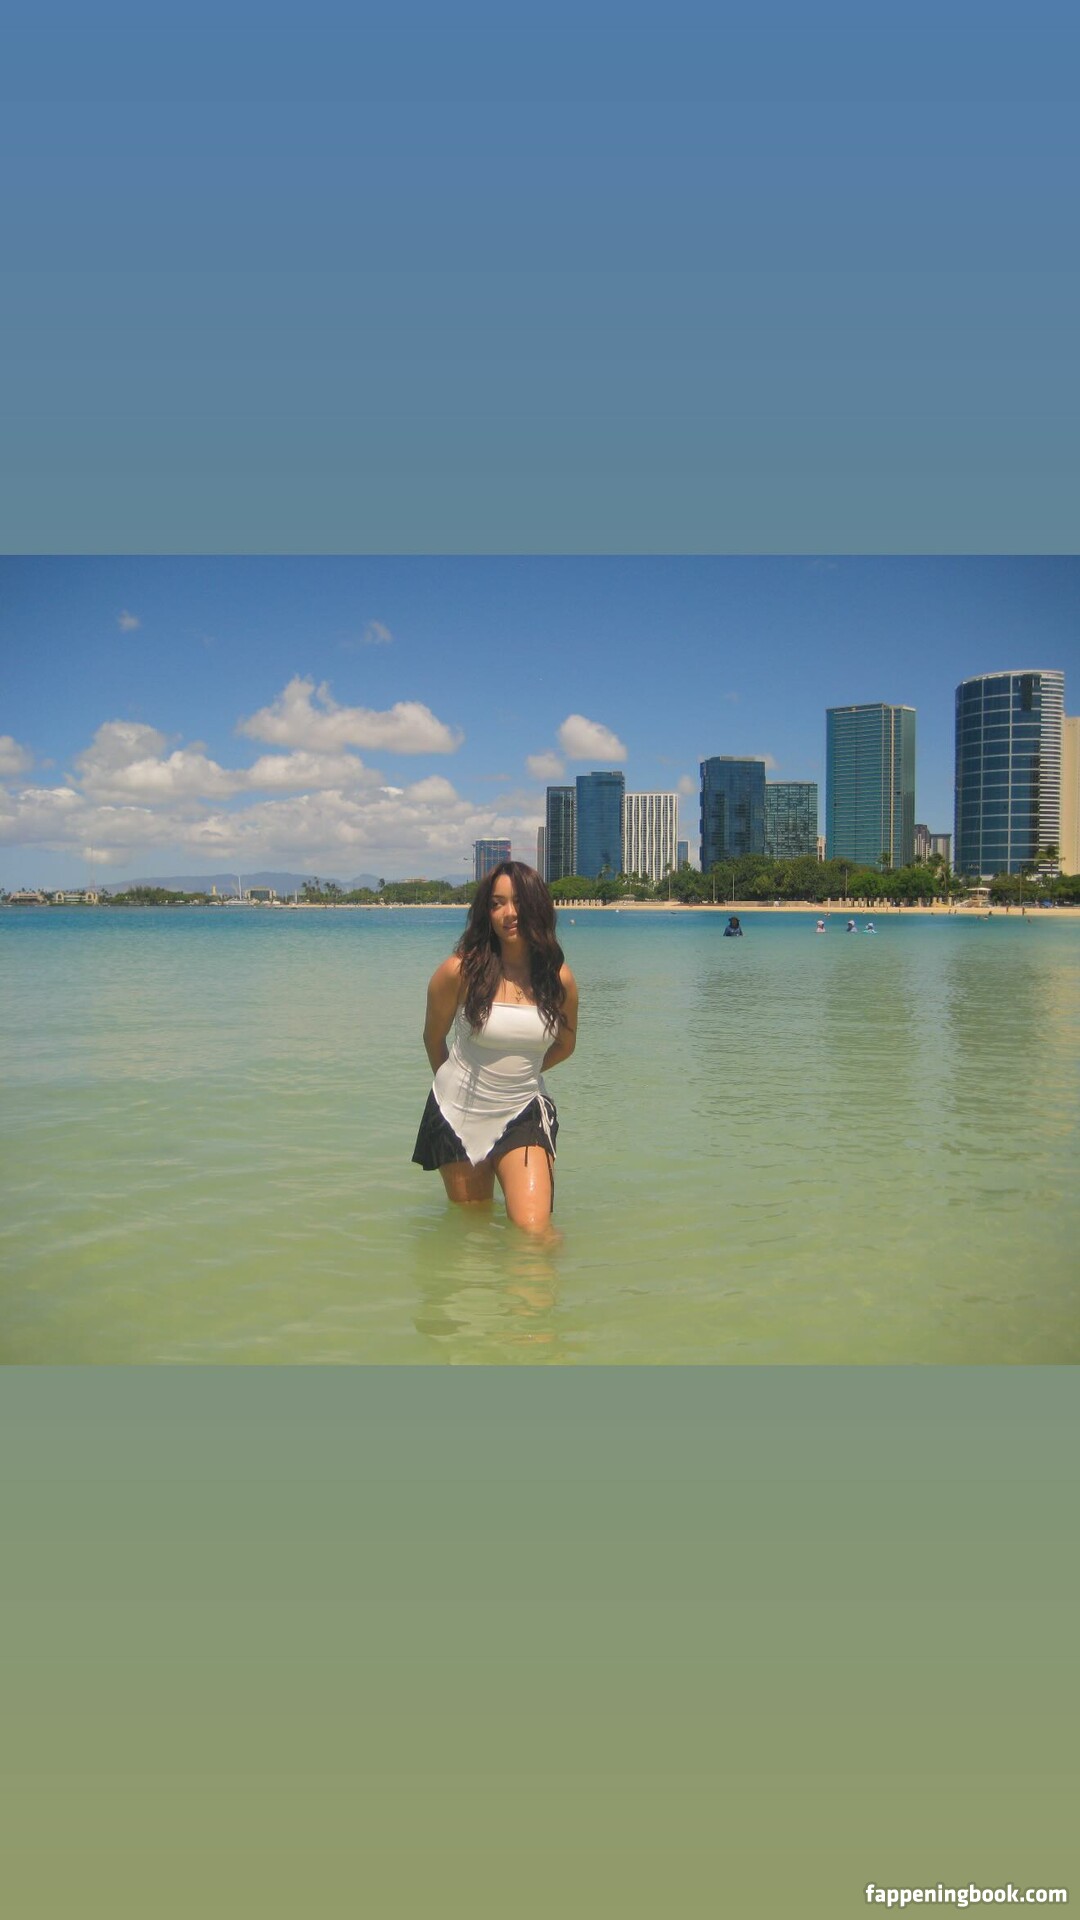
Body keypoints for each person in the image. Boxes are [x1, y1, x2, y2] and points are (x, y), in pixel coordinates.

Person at [412, 862, 578, 1236]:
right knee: (474, 1232)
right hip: (458, 1112)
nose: (509, 913)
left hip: (523, 1110)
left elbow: (566, 1045)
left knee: (535, 1231)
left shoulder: (558, 979)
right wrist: (458, 1090)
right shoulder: (459, 972)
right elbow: (433, 1039)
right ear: (485, 913)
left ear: (537, 905)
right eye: (497, 903)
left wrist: (519, 1075)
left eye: (518, 902)